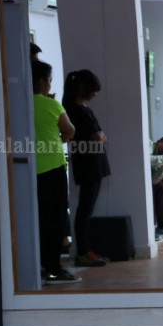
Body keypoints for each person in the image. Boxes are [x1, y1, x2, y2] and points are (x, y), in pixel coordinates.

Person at [32, 59, 79, 283]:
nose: (49, 84)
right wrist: (59, 140)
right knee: (55, 218)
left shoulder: (17, 102)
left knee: (35, 218)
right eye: (49, 80)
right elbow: (69, 129)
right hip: (51, 167)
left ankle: (34, 264)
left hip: (26, 171)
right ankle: (53, 268)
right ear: (42, 82)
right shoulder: (50, 105)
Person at [62, 69, 111, 267]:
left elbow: (99, 137)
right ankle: (82, 252)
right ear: (83, 89)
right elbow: (98, 137)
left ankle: (85, 250)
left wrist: (100, 137)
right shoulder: (78, 111)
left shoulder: (77, 109)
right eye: (92, 90)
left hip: (90, 164)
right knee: (85, 210)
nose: (94, 94)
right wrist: (100, 136)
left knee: (86, 209)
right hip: (89, 164)